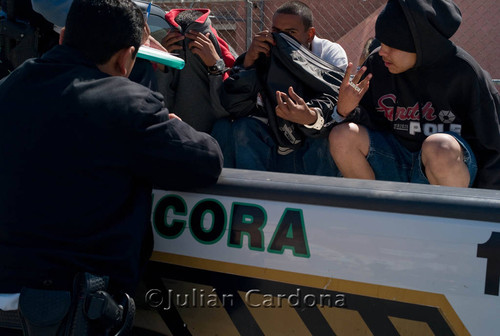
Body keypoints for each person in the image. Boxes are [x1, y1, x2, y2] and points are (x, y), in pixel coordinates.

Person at [0, 0, 222, 334]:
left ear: (63, 39)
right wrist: (172, 125)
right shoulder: (129, 104)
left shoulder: (12, 87)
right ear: (125, 57)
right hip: (68, 311)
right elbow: (205, 161)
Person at [328, 0, 500, 190]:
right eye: (382, 42)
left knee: (439, 147)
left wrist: (488, 206)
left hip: (447, 168)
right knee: (341, 136)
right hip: (393, 160)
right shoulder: (377, 64)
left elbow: (493, 145)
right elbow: (370, 123)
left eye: (391, 45)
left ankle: (450, 217)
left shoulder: (465, 72)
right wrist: (345, 110)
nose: (382, 51)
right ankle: (376, 212)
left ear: (419, 43)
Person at [214, 0, 346, 175]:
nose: (282, 38)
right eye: (276, 32)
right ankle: (253, 197)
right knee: (240, 127)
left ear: (310, 34)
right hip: (274, 127)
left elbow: (337, 99)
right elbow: (234, 103)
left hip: (312, 126)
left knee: (328, 136)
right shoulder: (266, 49)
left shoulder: (328, 53)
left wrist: (308, 115)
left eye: (291, 32)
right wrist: (249, 62)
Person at [155, 8, 235, 133]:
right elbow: (161, 108)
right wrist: (162, 64)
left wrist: (215, 66)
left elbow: (225, 111)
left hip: (214, 138)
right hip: (175, 136)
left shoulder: (219, 51)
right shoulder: (163, 51)